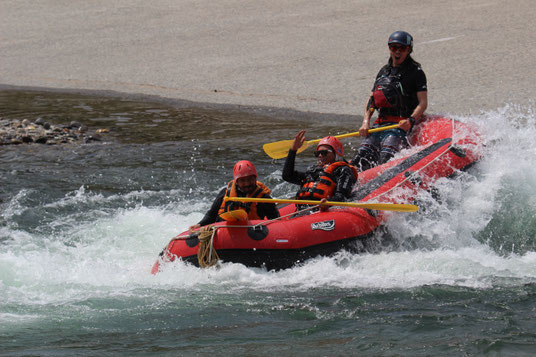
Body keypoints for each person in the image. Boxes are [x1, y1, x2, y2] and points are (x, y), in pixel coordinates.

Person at [351, 30, 428, 171]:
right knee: (360, 158)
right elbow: (372, 99)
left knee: (385, 160)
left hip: (400, 126)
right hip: (379, 125)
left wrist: (410, 120)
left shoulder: (416, 72)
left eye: (402, 48)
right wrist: (365, 122)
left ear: (409, 50)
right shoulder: (384, 71)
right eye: (393, 48)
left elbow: (423, 103)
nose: (397, 52)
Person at [189, 160, 279, 230]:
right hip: (225, 233)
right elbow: (211, 215)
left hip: (252, 235)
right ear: (237, 181)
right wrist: (199, 224)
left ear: (255, 178)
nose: (247, 183)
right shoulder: (225, 194)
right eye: (243, 180)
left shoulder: (263, 198)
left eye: (250, 179)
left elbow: (276, 221)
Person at [282, 131, 358, 211]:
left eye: (324, 153)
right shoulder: (312, 171)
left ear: (336, 154)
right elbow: (287, 176)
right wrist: (293, 150)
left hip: (323, 211)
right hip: (303, 210)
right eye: (317, 153)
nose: (320, 156)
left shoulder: (343, 170)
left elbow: (342, 197)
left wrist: (328, 203)